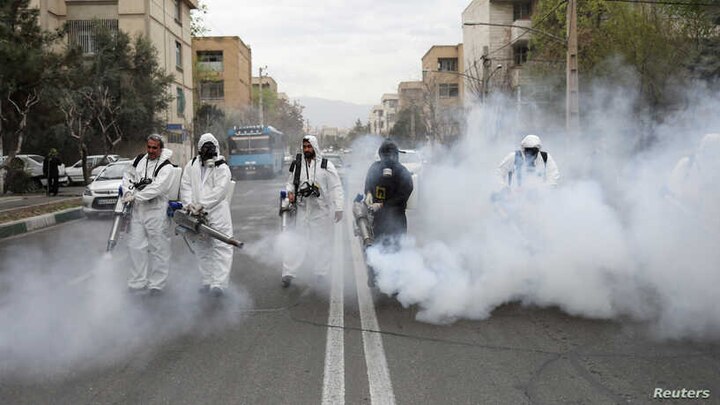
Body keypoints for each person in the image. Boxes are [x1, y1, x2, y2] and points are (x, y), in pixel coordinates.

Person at [282, 135, 344, 288]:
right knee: (297, 242)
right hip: (302, 210)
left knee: (321, 242)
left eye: (309, 147)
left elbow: (336, 187)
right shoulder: (298, 165)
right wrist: (290, 192)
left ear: (314, 147)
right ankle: (288, 273)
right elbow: (290, 183)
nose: (307, 149)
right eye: (304, 147)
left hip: (321, 211)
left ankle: (321, 272)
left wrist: (339, 207)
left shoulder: (325, 165)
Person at [180, 133, 234, 297]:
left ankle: (219, 284)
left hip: (217, 214)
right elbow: (186, 185)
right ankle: (207, 280)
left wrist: (202, 205)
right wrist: (188, 204)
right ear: (199, 149)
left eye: (211, 147)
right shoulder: (192, 165)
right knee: (202, 247)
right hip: (195, 212)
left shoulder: (222, 167)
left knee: (221, 247)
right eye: (205, 147)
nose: (208, 151)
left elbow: (219, 191)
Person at [121, 134, 176, 296]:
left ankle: (157, 285)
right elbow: (127, 176)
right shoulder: (139, 160)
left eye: (155, 148)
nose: (151, 150)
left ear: (160, 148)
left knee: (158, 248)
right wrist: (128, 191)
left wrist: (136, 196)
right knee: (135, 246)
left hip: (156, 211)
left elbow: (157, 188)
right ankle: (137, 282)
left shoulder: (166, 167)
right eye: (149, 147)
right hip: (138, 210)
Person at [363, 139, 414, 287]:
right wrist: (369, 197)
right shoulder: (374, 168)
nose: (388, 157)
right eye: (385, 154)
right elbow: (367, 187)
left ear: (396, 155)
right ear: (380, 154)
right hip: (377, 218)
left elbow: (405, 194)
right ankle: (375, 275)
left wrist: (384, 205)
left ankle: (396, 280)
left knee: (396, 247)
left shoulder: (402, 172)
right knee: (375, 246)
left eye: (391, 154)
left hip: (396, 218)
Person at [666, 133, 720, 228]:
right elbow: (672, 192)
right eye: (707, 151)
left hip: (709, 228)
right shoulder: (686, 165)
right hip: (682, 223)